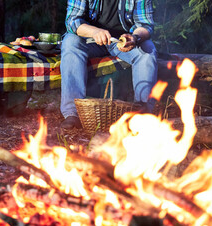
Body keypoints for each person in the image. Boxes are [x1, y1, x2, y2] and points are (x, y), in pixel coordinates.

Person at [60, 0, 158, 130]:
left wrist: (134, 37)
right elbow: (72, 21)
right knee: (70, 42)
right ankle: (72, 113)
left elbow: (146, 25)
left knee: (147, 49)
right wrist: (95, 32)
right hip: (89, 39)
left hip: (122, 43)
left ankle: (143, 112)